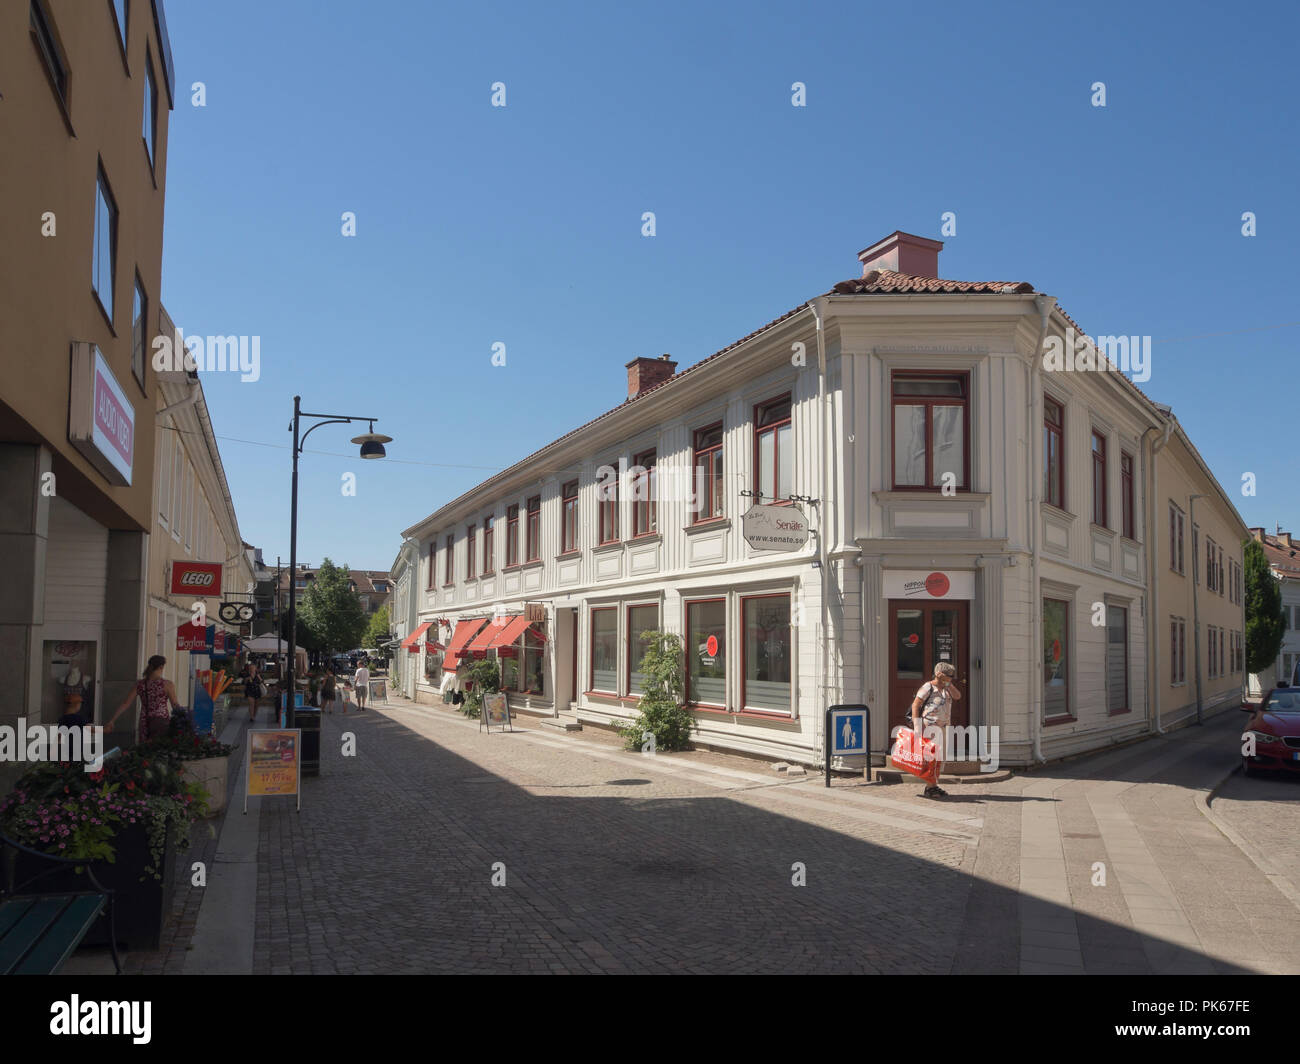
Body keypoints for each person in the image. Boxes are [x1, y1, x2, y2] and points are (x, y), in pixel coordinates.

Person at [911, 661, 961, 799]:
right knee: (932, 759)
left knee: (940, 759)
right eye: (949, 675)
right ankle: (930, 787)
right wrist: (917, 726)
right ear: (940, 674)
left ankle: (933, 785)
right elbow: (916, 704)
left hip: (944, 727)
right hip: (930, 728)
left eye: (952, 675)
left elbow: (958, 696)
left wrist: (948, 684)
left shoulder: (947, 688)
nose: (951, 677)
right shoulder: (928, 687)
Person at [107, 655, 183, 743]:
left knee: (145, 750)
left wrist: (112, 720)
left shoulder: (140, 684)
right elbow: (175, 705)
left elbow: (126, 703)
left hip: (144, 722)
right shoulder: (167, 684)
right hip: (161, 722)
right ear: (161, 667)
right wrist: (183, 720)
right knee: (160, 749)